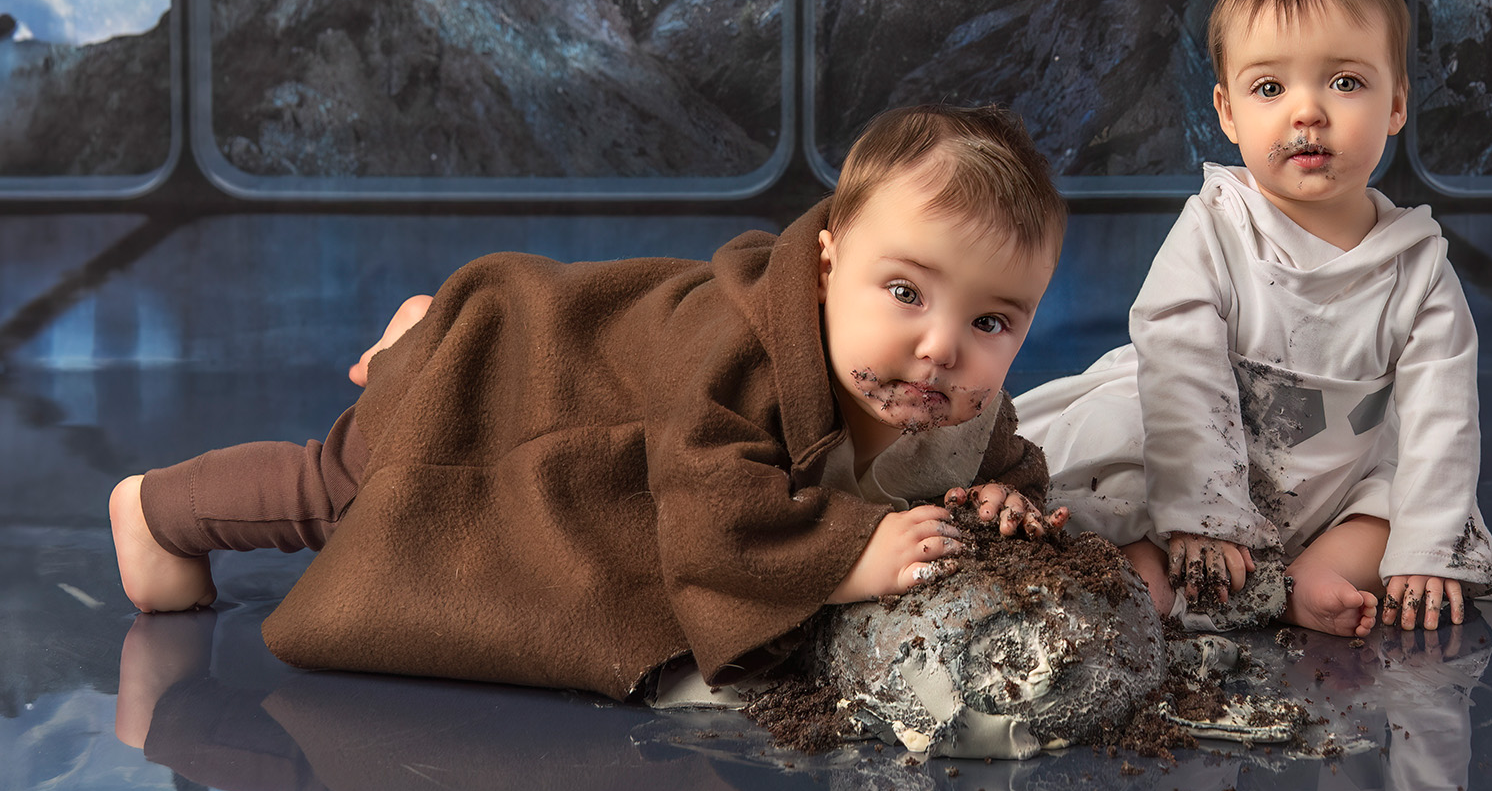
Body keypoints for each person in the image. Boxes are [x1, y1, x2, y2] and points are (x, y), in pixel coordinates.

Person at [109, 104, 1069, 700]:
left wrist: (1008, 497)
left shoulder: (950, 394)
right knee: (345, 495)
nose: (941, 347)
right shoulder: (742, 354)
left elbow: (991, 457)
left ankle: (412, 323)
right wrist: (845, 553)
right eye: (904, 292)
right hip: (509, 373)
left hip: (595, 373)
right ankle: (154, 509)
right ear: (827, 264)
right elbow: (709, 502)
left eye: (992, 321)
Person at [1016, 0, 1492, 639]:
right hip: (1208, 454)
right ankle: (1158, 569)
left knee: (1407, 502)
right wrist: (1203, 514)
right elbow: (1181, 363)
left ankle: (1307, 576)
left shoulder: (1418, 264)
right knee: (1134, 496)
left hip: (1336, 475)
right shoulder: (1217, 228)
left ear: (1397, 102)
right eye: (1270, 89)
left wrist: (1427, 551)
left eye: (1344, 82)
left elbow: (1443, 415)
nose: (1306, 113)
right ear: (1226, 111)